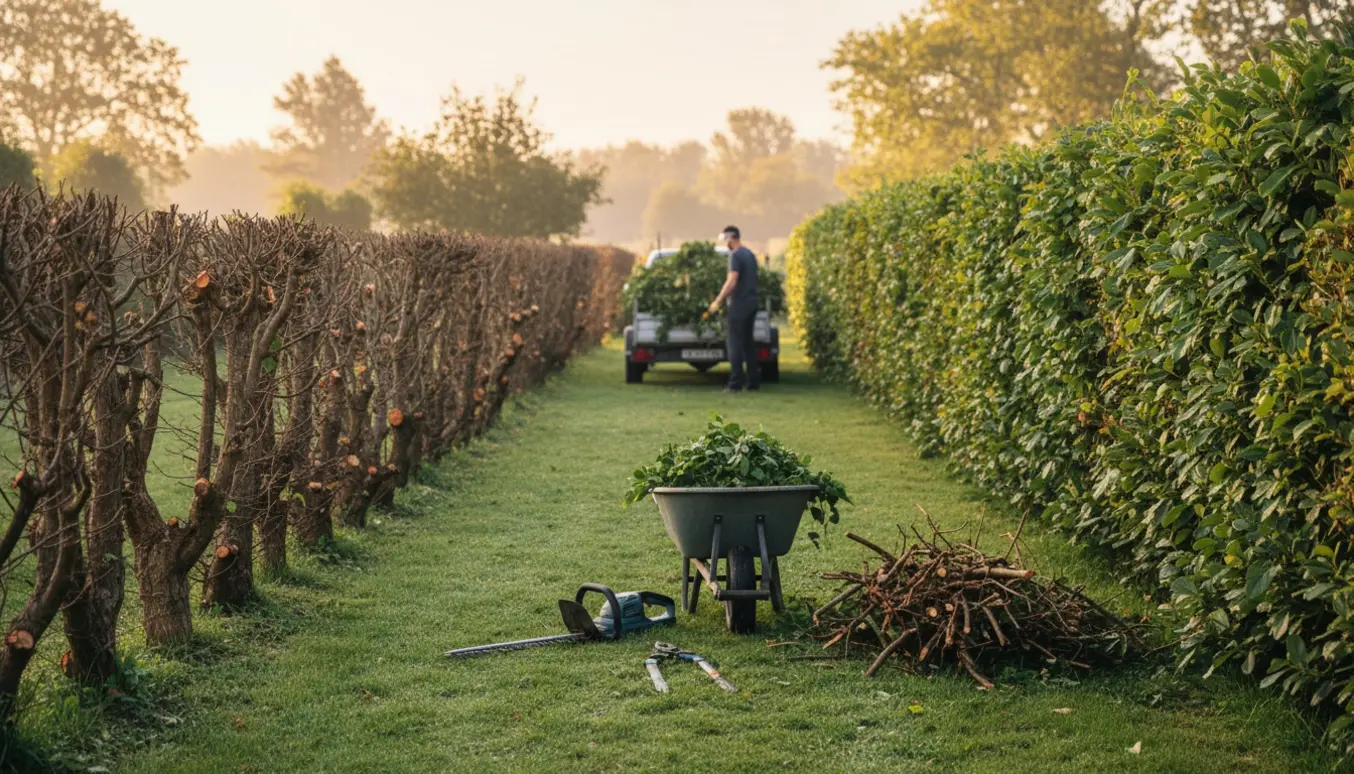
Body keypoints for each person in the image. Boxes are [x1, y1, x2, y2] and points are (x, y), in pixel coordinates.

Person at [705, 225, 760, 392]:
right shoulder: (750, 255)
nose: (725, 243)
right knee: (748, 343)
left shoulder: (735, 256)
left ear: (731, 238)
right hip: (752, 303)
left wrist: (719, 300)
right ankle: (753, 382)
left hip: (739, 304)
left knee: (734, 344)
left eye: (725, 239)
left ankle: (735, 384)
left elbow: (732, 280)